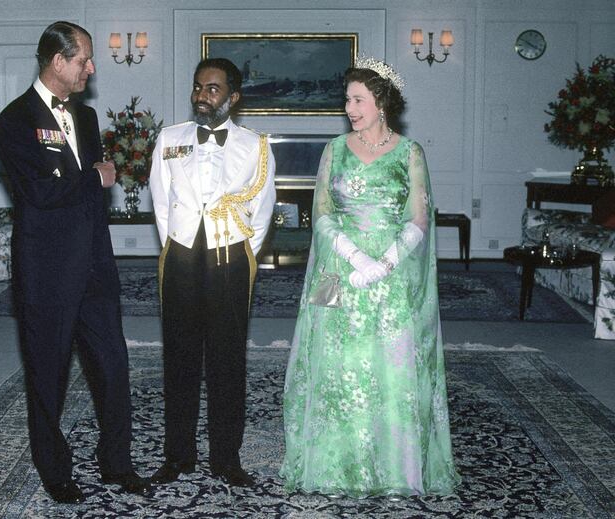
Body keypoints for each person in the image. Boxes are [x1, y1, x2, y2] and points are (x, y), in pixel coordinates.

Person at [279, 57, 461, 498]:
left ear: (382, 103)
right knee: (335, 368)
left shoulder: (410, 152)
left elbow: (419, 219)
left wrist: (384, 264)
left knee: (390, 370)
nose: (350, 108)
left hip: (392, 278)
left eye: (358, 99)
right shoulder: (334, 151)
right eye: (347, 99)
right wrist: (356, 258)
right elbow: (320, 214)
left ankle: (394, 469)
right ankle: (335, 466)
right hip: (337, 273)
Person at [0, 21, 150, 504]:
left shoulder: (84, 116)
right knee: (48, 372)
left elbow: (81, 192)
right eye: (83, 59)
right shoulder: (14, 120)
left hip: (94, 266)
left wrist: (90, 186)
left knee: (113, 364)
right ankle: (54, 469)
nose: (91, 67)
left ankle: (116, 462)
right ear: (57, 61)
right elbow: (38, 193)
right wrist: (96, 177)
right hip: (47, 270)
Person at [149, 58, 276, 487]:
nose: (202, 96)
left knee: (227, 362)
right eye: (198, 87)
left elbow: (262, 211)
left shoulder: (255, 145)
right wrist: (181, 244)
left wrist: (239, 254)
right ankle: (177, 455)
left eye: (213, 89)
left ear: (233, 97)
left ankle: (226, 458)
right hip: (182, 257)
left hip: (229, 261)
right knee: (179, 361)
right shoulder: (169, 138)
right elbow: (161, 201)